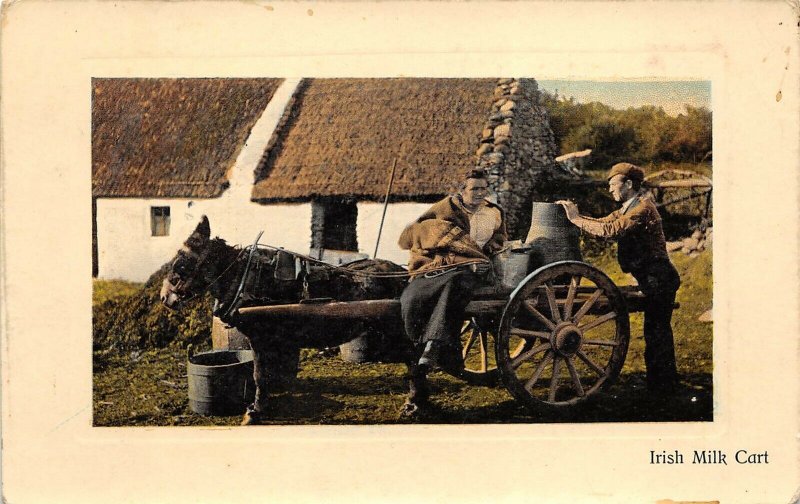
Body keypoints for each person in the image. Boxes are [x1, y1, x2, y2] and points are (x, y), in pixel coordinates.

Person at [557, 162, 681, 393]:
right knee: (655, 331)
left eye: (614, 184)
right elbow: (604, 222)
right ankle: (662, 384)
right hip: (650, 277)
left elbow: (612, 231)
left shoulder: (643, 209)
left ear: (629, 184)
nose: (610, 190)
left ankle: (664, 387)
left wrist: (575, 219)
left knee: (657, 332)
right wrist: (575, 215)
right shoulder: (625, 208)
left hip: (660, 277)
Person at [398, 169, 507, 373]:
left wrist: (487, 254)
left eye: (483, 188)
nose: (480, 193)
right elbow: (420, 232)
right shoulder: (446, 209)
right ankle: (427, 344)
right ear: (462, 191)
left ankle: (434, 346)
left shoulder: (494, 212)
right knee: (416, 294)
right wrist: (464, 259)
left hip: (478, 271)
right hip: (441, 263)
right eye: (474, 189)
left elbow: (500, 239)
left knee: (458, 281)